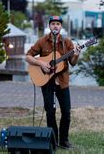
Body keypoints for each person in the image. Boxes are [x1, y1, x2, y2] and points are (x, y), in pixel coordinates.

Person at [25, 15, 79, 149]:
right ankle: (53, 141)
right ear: (49, 26)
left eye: (58, 24)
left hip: (63, 82)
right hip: (47, 82)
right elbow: (28, 56)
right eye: (53, 24)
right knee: (50, 111)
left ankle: (64, 141)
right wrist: (42, 64)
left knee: (66, 111)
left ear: (61, 27)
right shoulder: (42, 42)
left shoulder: (67, 43)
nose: (55, 26)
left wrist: (77, 53)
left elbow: (72, 63)